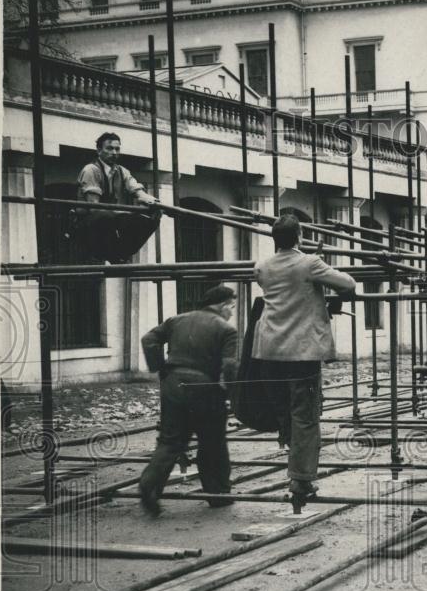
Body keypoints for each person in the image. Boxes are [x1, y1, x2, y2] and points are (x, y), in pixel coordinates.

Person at [253, 214, 356, 506]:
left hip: (270, 350)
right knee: (305, 416)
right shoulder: (309, 262)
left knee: (284, 410)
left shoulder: (262, 265)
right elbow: (348, 284)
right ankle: (301, 480)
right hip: (301, 351)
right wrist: (324, 289)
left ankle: (289, 448)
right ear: (299, 236)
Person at [139, 284, 239, 516]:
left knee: (170, 440)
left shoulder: (176, 320)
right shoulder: (226, 329)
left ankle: (150, 486)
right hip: (206, 388)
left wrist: (160, 368)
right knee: (212, 441)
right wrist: (231, 393)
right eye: (231, 307)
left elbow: (148, 339)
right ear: (223, 305)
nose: (232, 312)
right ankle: (218, 495)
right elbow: (230, 365)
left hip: (173, 384)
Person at [74, 132, 161, 263]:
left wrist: (152, 201)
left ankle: (121, 254)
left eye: (117, 149)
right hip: (86, 224)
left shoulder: (122, 171)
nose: (114, 152)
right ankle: (106, 254)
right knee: (107, 216)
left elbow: (136, 188)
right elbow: (94, 206)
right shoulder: (90, 170)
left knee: (153, 216)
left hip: (110, 221)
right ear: (99, 150)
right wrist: (123, 213)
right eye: (109, 148)